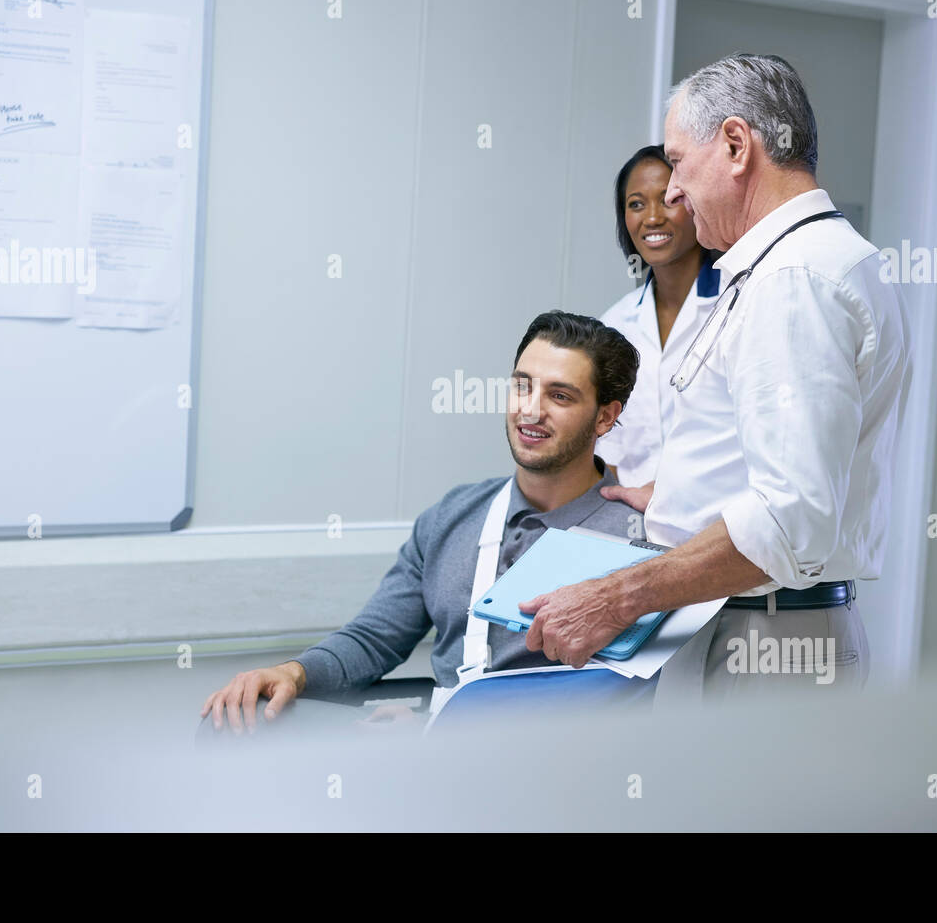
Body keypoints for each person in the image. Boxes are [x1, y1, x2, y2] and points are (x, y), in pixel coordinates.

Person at [522, 53, 911, 700]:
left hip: (765, 642)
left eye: (677, 161)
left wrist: (614, 598)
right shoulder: (806, 264)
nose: (672, 191)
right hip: (742, 625)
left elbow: (790, 522)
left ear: (736, 144)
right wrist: (683, 492)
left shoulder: (796, 282)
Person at [198, 311, 649, 735]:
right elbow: (375, 639)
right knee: (238, 726)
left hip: (560, 774)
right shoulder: (453, 515)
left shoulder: (637, 536)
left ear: (605, 417)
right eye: (521, 386)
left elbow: (635, 695)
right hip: (439, 758)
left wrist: (435, 727)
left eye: (560, 396)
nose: (530, 410)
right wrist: (291, 673)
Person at [597, 144, 724, 488]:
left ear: (696, 203)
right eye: (636, 204)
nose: (652, 217)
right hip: (627, 525)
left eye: (669, 199)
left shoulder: (738, 304)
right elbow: (607, 453)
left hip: (715, 527)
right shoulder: (614, 326)